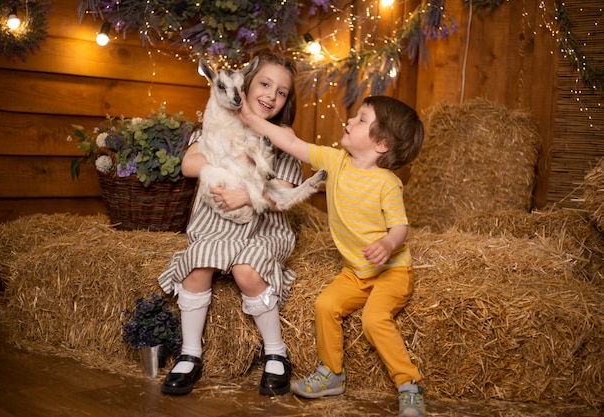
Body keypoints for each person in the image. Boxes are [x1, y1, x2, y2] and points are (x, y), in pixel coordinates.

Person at [240, 95, 427, 416]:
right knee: (325, 305)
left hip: (392, 272)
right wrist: (250, 117)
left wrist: (387, 244)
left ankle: (408, 385)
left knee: (374, 320)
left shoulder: (387, 184)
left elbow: (400, 227)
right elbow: (290, 141)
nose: (350, 121)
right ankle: (332, 373)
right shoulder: (335, 162)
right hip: (356, 271)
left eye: (362, 119)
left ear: (381, 144)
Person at [158, 49, 301, 397]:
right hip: (218, 222)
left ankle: (276, 353)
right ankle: (190, 354)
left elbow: (282, 192)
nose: (271, 94)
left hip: (264, 224)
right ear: (245, 85)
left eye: (281, 92)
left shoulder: (281, 136)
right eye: (265, 84)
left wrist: (248, 195)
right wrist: (226, 157)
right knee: (198, 264)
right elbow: (189, 165)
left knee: (245, 269)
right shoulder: (218, 125)